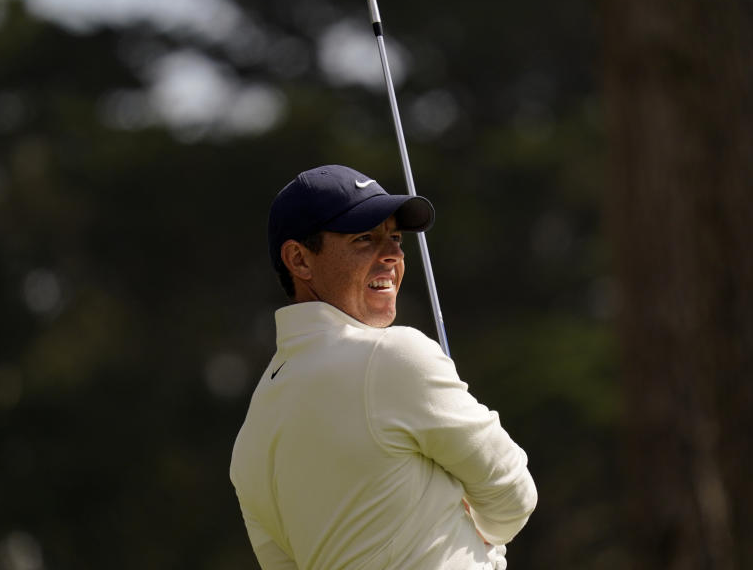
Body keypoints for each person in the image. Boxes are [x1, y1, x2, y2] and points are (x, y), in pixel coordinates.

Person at [230, 164, 537, 570]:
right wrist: (486, 541)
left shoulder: (253, 432)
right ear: (299, 260)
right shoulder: (395, 356)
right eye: (364, 239)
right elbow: (513, 494)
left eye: (394, 237)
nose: (392, 254)